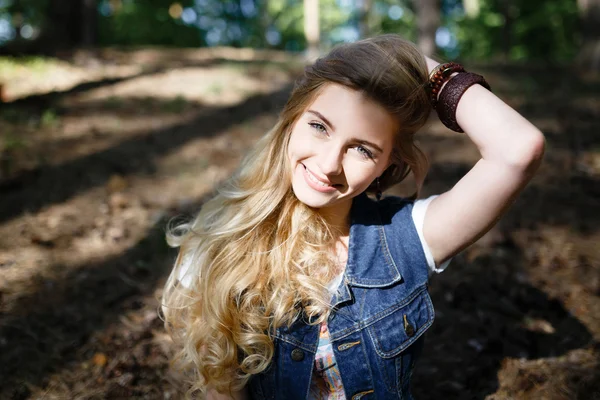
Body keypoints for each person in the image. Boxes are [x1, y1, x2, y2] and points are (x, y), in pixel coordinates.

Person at [161, 34, 545, 400]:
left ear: (387, 164)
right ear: (292, 119)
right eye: (318, 127)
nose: (329, 166)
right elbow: (222, 389)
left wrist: (423, 67)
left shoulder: (406, 237)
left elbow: (518, 149)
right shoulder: (217, 249)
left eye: (361, 150)